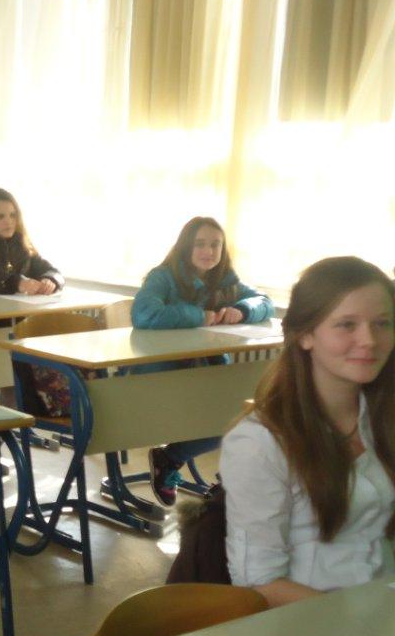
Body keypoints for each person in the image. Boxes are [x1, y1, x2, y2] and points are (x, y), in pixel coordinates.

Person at [221, 256, 395, 607]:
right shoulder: (260, 443)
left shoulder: (383, 418)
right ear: (304, 336)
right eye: (346, 325)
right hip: (311, 622)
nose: (369, 340)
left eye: (383, 323)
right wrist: (364, 625)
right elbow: (259, 582)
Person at [132, 216, 274, 506]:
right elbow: (144, 314)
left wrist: (243, 310)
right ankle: (172, 459)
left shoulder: (224, 279)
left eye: (215, 244)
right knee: (227, 418)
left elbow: (264, 302)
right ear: (186, 246)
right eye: (200, 244)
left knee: (244, 415)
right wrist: (199, 316)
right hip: (163, 373)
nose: (208, 251)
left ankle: (173, 459)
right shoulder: (163, 277)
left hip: (207, 370)